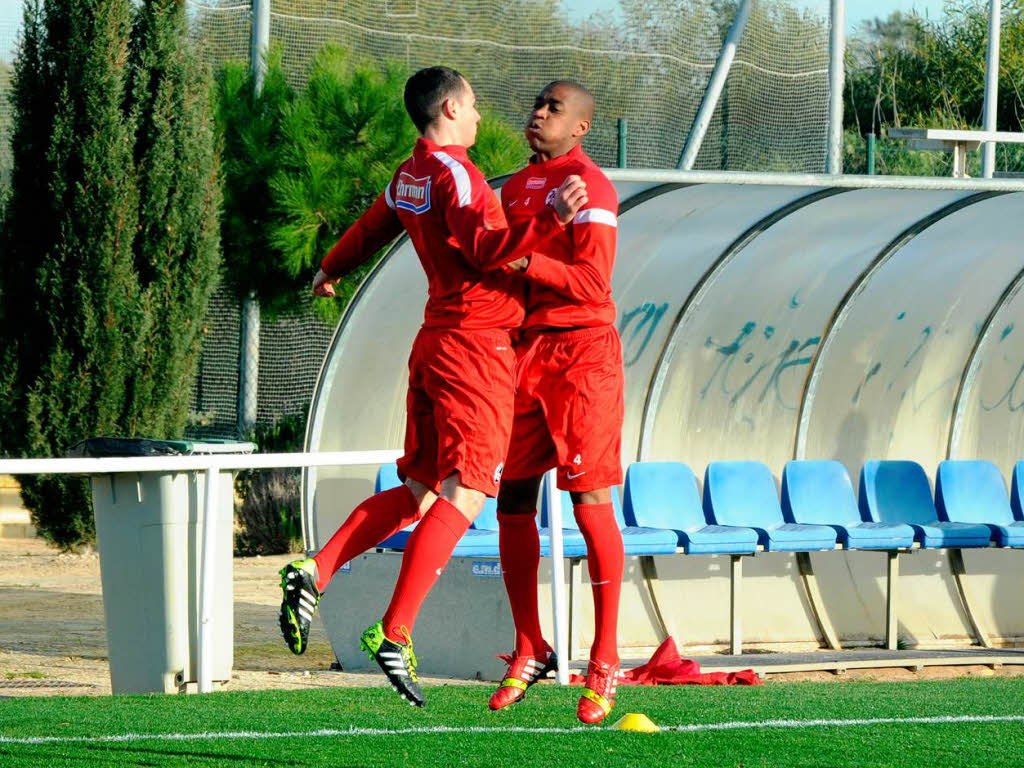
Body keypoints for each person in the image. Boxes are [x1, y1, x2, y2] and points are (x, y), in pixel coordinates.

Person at [278, 66, 588, 708]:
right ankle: (395, 632)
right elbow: (483, 248)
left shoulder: (410, 173)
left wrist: (331, 267)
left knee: (420, 490)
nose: (481, 117)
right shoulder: (455, 173)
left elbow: (372, 226)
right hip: (476, 347)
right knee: (470, 490)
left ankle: (318, 567)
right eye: (473, 105)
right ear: (449, 108)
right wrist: (550, 223)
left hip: (435, 344)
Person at [489, 81, 625, 725]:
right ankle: (529, 646)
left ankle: (604, 660)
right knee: (512, 495)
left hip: (582, 355)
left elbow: (592, 282)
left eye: (554, 108)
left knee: (588, 497)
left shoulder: (590, 187)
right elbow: (494, 263)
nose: (538, 112)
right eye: (537, 103)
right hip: (522, 353)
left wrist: (524, 264)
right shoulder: (510, 189)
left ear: (581, 128)